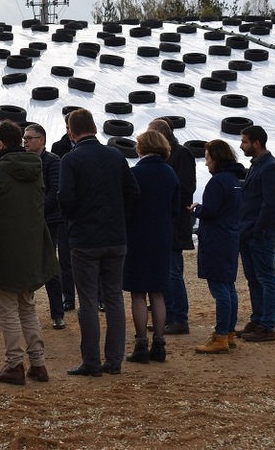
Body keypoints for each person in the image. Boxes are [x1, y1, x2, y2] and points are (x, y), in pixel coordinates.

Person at [0, 120, 59, 386]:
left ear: (0, 144)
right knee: (27, 307)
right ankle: (38, 363)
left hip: (3, 249)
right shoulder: (38, 167)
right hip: (32, 249)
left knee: (8, 311)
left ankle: (14, 364)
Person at [58, 109, 140, 377]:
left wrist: (74, 221)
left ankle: (91, 361)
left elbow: (66, 200)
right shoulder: (115, 155)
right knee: (114, 297)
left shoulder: (71, 160)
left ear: (71, 132)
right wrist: (121, 220)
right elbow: (133, 191)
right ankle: (114, 360)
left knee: (88, 300)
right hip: (116, 237)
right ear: (95, 127)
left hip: (85, 239)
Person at [123, 131, 179, 364]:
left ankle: (141, 344)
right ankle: (160, 343)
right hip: (162, 237)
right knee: (157, 292)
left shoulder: (135, 173)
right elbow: (175, 210)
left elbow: (127, 208)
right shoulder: (170, 173)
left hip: (137, 237)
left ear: (141, 147)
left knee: (138, 293)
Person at [191, 140, 245, 354]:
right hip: (230, 235)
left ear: (216, 158)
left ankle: (221, 335)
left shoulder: (217, 182)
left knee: (220, 289)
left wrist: (196, 209)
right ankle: (229, 333)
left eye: (208, 158)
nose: (206, 163)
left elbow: (210, 211)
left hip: (216, 238)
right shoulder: (234, 179)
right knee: (228, 287)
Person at [148, 118, 196, 335]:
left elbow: (186, 190)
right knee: (165, 271)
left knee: (172, 272)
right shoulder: (168, 155)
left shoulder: (181, 153)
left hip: (173, 222)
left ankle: (179, 318)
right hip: (165, 220)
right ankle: (168, 316)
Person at [237, 125, 275, 342]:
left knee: (265, 279)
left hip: (260, 233)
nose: (241, 145)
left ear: (257, 143)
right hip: (249, 231)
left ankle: (267, 325)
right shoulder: (258, 165)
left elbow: (270, 204)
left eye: (245, 142)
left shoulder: (271, 168)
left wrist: (258, 230)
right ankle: (258, 320)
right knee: (254, 279)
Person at [23, 123, 65, 330]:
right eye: (24, 138)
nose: (25, 141)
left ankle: (58, 313)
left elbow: (55, 192)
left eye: (29, 138)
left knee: (50, 267)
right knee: (26, 265)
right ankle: (26, 311)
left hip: (48, 221)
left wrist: (35, 211)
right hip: (28, 220)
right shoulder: (22, 161)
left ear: (42, 140)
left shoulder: (52, 161)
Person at [51, 112, 77, 311]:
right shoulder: (58, 148)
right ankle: (68, 297)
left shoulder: (97, 148)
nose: (69, 130)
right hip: (63, 213)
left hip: (84, 212)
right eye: (67, 126)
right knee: (66, 259)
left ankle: (99, 297)